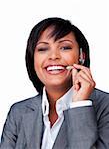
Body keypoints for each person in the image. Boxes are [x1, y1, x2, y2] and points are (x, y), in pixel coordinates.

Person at [0, 17, 109, 149]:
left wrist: (80, 106)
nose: (53, 56)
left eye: (64, 47)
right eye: (43, 49)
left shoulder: (105, 107)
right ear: (32, 58)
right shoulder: (18, 112)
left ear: (81, 56)